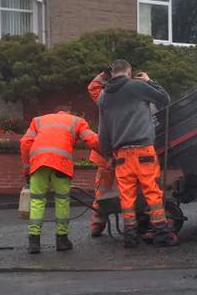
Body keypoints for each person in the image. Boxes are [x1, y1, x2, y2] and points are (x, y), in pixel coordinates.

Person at [97, 59, 178, 248]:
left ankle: (130, 237)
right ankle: (161, 235)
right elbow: (164, 99)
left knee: (126, 197)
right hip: (143, 151)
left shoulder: (103, 97)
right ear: (128, 71)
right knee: (152, 193)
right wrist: (149, 81)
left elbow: (103, 130)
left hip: (121, 155)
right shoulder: (137, 86)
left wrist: (108, 155)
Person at [20, 106, 100, 254]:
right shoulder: (77, 121)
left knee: (37, 201)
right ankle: (62, 240)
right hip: (61, 165)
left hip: (38, 163)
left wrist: (26, 167)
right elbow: (93, 140)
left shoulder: (38, 120)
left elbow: (25, 143)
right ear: (69, 113)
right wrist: (109, 149)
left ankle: (34, 242)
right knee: (62, 200)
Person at [87, 67, 118, 236]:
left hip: (106, 155)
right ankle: (133, 225)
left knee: (102, 192)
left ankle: (97, 226)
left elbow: (93, 87)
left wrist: (104, 76)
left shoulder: (106, 99)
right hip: (122, 154)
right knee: (128, 190)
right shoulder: (132, 99)